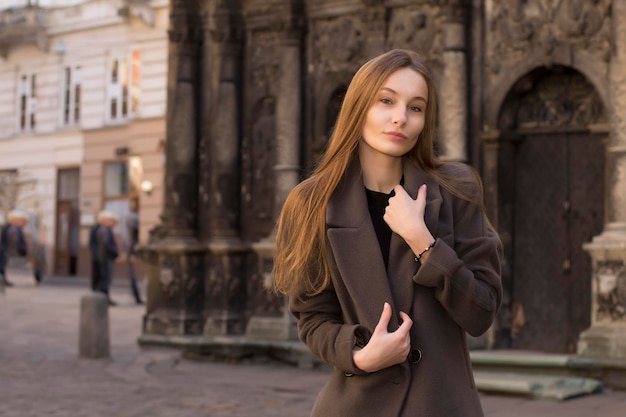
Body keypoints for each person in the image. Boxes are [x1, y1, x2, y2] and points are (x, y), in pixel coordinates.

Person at [273, 49, 503, 417]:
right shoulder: (310, 203)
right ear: (359, 107)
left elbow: (482, 312)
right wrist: (360, 356)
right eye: (386, 101)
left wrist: (424, 243)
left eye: (416, 107)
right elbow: (313, 318)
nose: (401, 118)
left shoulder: (458, 190)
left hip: (443, 405)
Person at [89, 210, 120, 305]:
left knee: (104, 278)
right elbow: (100, 245)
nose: (113, 223)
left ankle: (103, 298)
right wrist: (114, 253)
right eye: (111, 220)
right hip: (102, 258)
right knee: (102, 278)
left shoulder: (104, 229)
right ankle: (101, 298)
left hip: (103, 257)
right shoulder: (100, 229)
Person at [0, 210, 29, 287]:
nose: (24, 223)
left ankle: (3, 280)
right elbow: (14, 240)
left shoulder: (8, 227)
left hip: (4, 248)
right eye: (22, 220)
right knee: (2, 265)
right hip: (4, 249)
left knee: (3, 265)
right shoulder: (10, 228)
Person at [126, 198, 143, 304]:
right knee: (133, 277)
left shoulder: (135, 217)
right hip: (133, 250)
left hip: (133, 249)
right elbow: (131, 236)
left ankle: (137, 296)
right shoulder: (132, 217)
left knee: (134, 277)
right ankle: (136, 297)